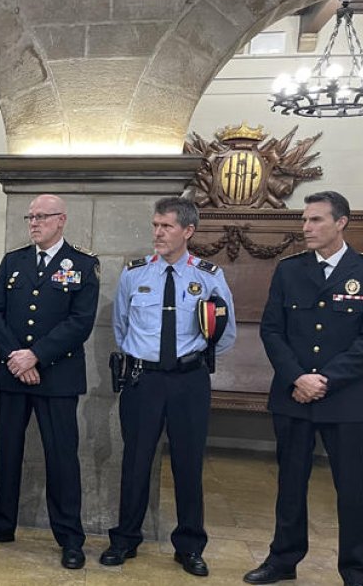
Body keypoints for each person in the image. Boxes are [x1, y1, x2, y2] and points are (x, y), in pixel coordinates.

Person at [244, 191, 363, 586]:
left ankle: (357, 571)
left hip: (345, 399)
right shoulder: (290, 269)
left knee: (352, 489)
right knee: (290, 483)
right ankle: (283, 559)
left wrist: (324, 380)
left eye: (316, 220)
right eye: (305, 220)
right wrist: (298, 377)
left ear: (341, 222)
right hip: (293, 394)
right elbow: (272, 330)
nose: (306, 227)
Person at [101, 196, 236, 577]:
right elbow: (121, 327)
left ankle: (190, 546)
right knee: (136, 461)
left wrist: (191, 360)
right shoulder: (135, 274)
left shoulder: (208, 277)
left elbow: (225, 334)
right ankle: (125, 539)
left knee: (188, 464)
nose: (158, 233)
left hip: (189, 381)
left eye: (167, 227)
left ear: (188, 231)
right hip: (143, 380)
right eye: (156, 225)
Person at [0, 193, 99, 570]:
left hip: (57, 377)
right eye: (30, 217)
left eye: (42, 216)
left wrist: (35, 355)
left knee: (62, 458)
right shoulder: (14, 261)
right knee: (8, 452)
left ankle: (70, 537)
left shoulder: (84, 265)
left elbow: (80, 322)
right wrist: (15, 357)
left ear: (61, 220)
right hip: (12, 375)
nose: (34, 222)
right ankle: (1, 523)